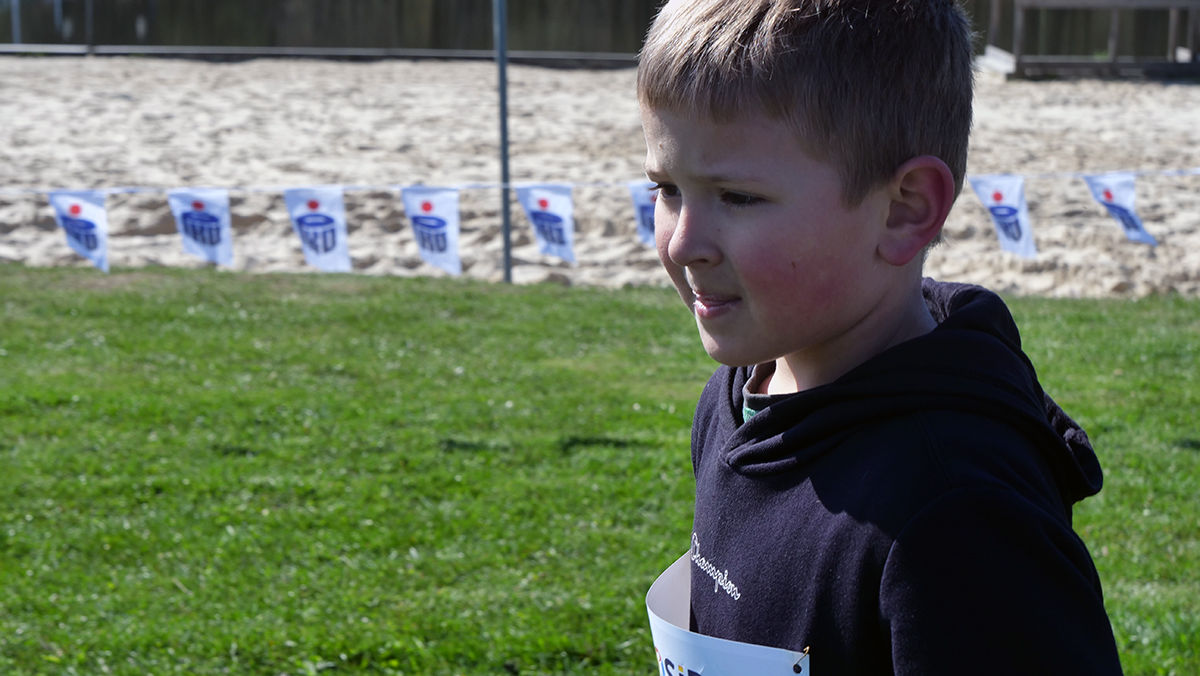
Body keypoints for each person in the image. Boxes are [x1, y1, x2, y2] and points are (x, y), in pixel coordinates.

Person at [637, 0, 1124, 673]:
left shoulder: (957, 516)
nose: (682, 243)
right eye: (667, 189)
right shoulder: (737, 395)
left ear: (904, 209)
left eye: (737, 197)